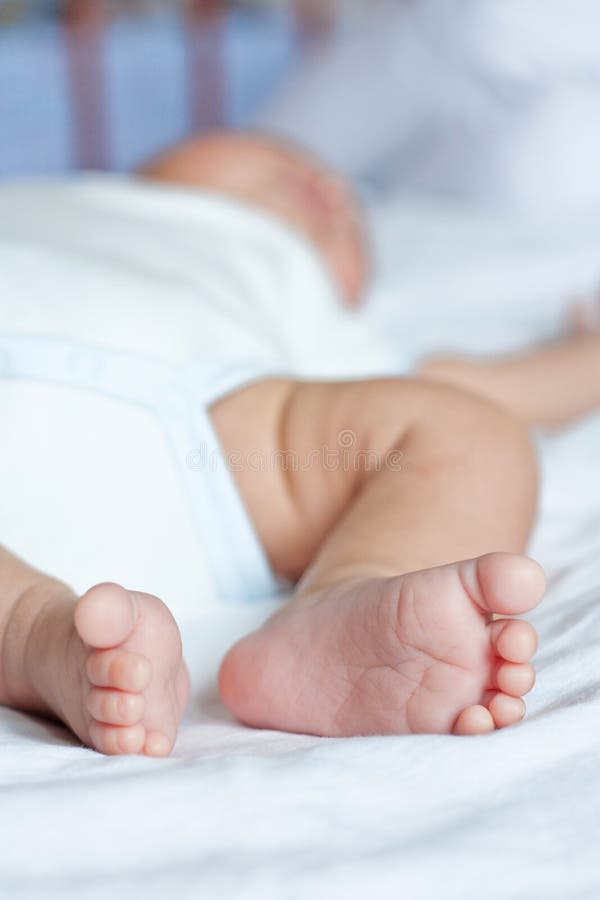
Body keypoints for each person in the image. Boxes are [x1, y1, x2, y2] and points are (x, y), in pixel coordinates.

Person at [1, 131, 598, 756]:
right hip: (189, 428)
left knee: (467, 433)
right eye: (276, 150)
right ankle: (33, 636)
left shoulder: (289, 272)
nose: (328, 183)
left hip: (213, 426)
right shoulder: (57, 197)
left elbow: (465, 385)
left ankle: (342, 607)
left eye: (352, 215)